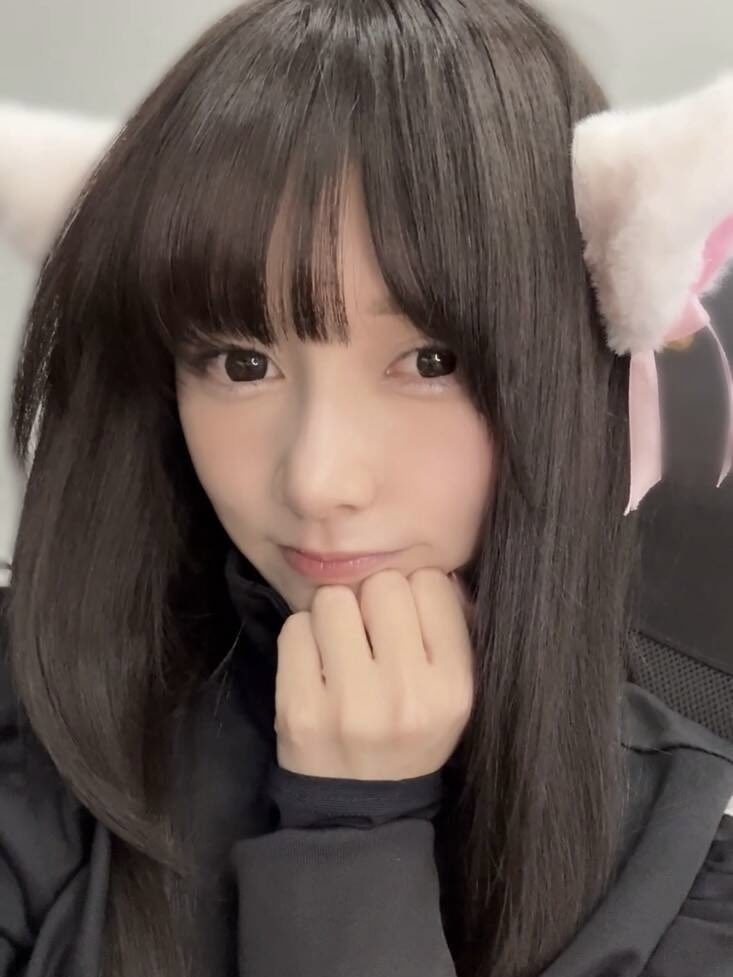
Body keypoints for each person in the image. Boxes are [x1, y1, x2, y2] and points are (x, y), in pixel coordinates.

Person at [0, 1, 731, 976]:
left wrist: (351, 835)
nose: (317, 480)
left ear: (572, 370)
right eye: (240, 361)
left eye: (429, 360)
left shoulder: (682, 861)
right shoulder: (35, 736)